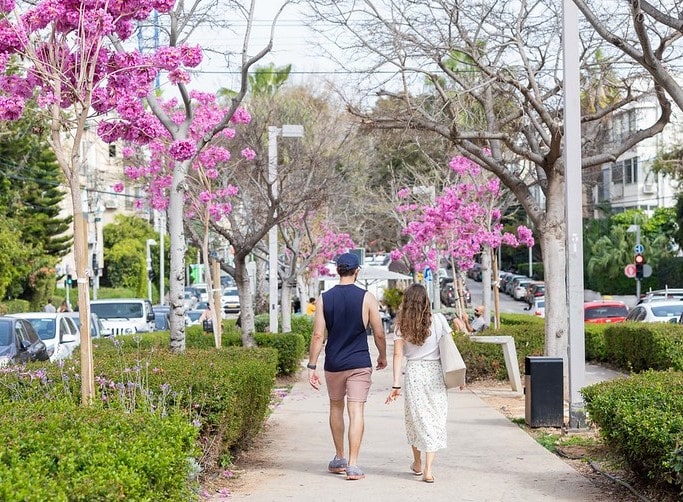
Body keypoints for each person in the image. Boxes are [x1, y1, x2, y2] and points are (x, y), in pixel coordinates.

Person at [307, 252, 387, 481]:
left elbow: (318, 335)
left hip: (334, 363)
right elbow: (379, 333)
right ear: (357, 271)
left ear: (336, 270)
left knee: (335, 408)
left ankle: (339, 457)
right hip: (359, 362)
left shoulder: (324, 298)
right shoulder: (367, 298)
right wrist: (383, 356)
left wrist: (312, 366)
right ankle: (353, 465)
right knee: (356, 411)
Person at [385, 284, 450, 483]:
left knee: (415, 418)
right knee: (434, 418)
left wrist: (395, 384)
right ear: (426, 301)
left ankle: (417, 462)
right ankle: (428, 470)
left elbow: (397, 355)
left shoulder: (401, 326)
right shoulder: (439, 320)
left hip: (414, 373)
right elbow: (449, 348)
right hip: (435, 374)